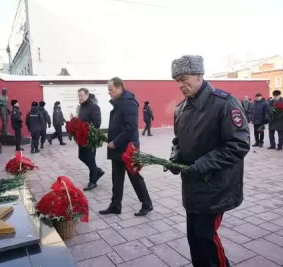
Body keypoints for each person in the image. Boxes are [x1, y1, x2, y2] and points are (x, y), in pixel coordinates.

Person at [166, 55, 250, 267]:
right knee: (194, 238)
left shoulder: (224, 103)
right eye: (176, 80)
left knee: (206, 238)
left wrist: (202, 165)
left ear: (199, 75)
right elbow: (178, 140)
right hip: (192, 186)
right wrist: (175, 156)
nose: (180, 85)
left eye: (183, 78)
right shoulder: (181, 108)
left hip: (215, 187)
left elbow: (238, 144)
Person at [99, 77, 153, 217]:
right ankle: (115, 205)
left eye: (110, 90)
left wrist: (115, 142)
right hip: (118, 148)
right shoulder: (119, 101)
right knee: (117, 178)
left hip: (128, 148)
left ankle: (147, 204)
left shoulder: (128, 102)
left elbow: (131, 127)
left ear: (118, 88)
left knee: (134, 176)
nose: (109, 93)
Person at [77, 88, 105, 191]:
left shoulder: (94, 107)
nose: (79, 98)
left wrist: (86, 128)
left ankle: (93, 181)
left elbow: (97, 123)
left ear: (87, 95)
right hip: (81, 137)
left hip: (91, 138)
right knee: (81, 156)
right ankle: (97, 171)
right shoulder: (81, 107)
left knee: (90, 159)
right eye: (78, 96)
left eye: (81, 96)